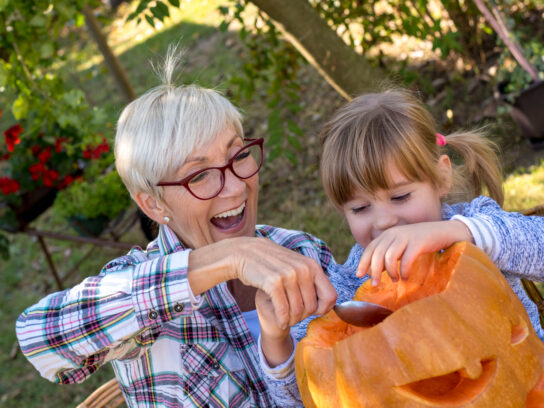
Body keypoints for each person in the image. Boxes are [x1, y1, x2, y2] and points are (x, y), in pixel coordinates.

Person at [15, 48, 338, 407]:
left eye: (239, 155)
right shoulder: (138, 289)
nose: (235, 186)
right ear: (153, 204)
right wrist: (226, 259)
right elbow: (37, 336)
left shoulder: (301, 251)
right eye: (198, 175)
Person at [257, 88, 544, 407]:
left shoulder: (475, 223)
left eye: (400, 197)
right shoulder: (348, 288)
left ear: (441, 177)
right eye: (360, 208)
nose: (383, 222)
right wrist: (276, 339)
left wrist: (455, 233)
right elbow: (313, 394)